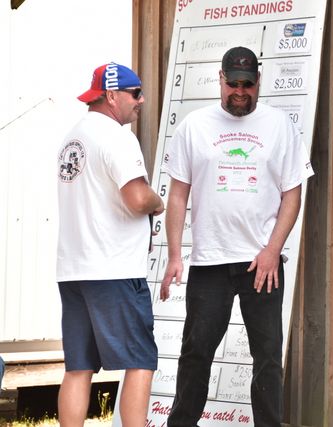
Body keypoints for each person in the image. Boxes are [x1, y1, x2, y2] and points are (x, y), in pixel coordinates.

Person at [159, 46, 314, 427]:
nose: (240, 92)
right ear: (220, 79)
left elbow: (292, 194)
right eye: (233, 84)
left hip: (262, 263)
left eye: (247, 84)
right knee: (196, 352)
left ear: (259, 81)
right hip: (210, 260)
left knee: (267, 357)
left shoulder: (280, 125)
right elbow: (177, 195)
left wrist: (272, 250)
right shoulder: (194, 126)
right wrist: (175, 254)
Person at [56, 62, 164, 426]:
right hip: (114, 269)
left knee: (78, 367)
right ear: (112, 96)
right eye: (135, 94)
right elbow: (137, 198)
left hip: (73, 270)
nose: (141, 100)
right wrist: (157, 201)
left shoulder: (72, 137)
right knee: (141, 360)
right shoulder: (117, 137)